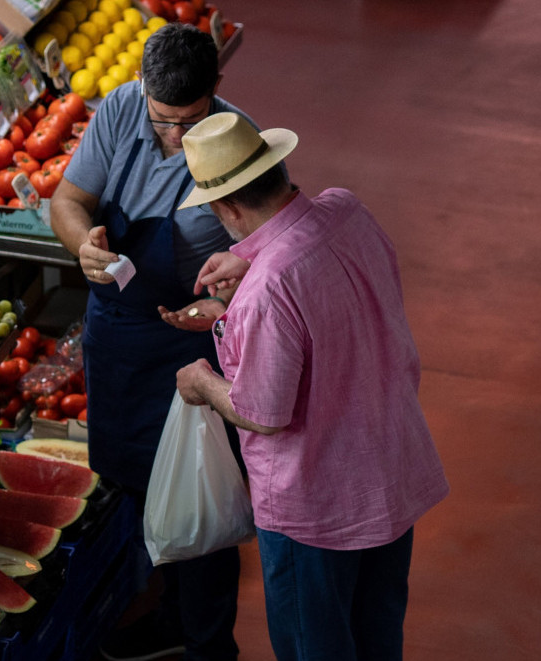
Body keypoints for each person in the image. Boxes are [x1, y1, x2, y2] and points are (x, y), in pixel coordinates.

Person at [174, 112, 450, 660]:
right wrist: (250, 262)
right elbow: (309, 259)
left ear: (225, 208)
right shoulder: (346, 208)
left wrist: (203, 383)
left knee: (314, 648)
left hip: (317, 508)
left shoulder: (268, 288)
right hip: (387, 471)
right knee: (377, 637)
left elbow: (264, 411)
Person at [50, 23, 255, 661]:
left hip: (194, 349)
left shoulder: (242, 144)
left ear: (217, 91)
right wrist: (82, 244)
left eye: (189, 121)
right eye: (163, 120)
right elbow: (69, 199)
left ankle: (209, 642)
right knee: (141, 486)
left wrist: (220, 303)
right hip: (119, 339)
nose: (174, 137)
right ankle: (168, 615)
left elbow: (267, 263)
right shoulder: (116, 110)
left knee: (206, 501)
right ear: (143, 90)